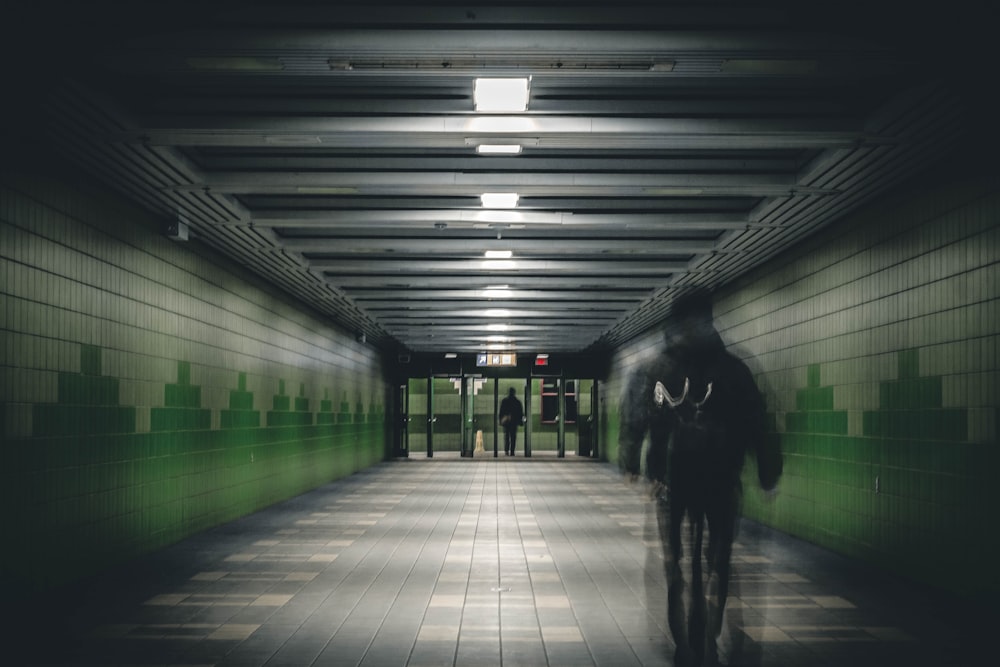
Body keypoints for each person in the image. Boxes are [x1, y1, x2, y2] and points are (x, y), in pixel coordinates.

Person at [618, 289, 781, 666]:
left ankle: (702, 625)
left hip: (701, 478)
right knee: (693, 556)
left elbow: (755, 420)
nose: (694, 329)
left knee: (708, 556)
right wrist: (630, 458)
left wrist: (768, 467)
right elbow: (637, 412)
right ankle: (696, 627)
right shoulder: (725, 368)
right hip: (687, 479)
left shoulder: (709, 368)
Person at [498, 387, 524, 456]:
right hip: (514, 422)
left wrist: (501, 420)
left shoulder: (505, 401)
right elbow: (520, 413)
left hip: (506, 421)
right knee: (513, 437)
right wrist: (520, 422)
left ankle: (506, 450)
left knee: (506, 436)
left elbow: (501, 412)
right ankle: (512, 451)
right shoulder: (517, 402)